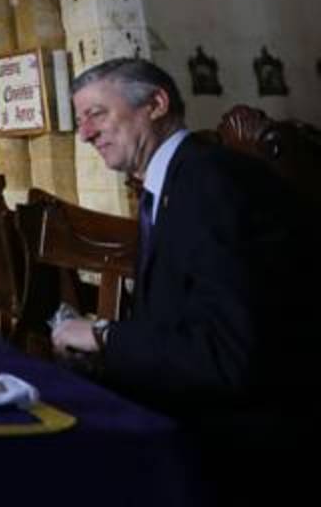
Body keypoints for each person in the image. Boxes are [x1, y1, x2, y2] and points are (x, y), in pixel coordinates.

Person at [54, 57, 313, 493]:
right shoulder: (172, 182)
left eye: (97, 114)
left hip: (246, 451)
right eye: (80, 120)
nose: (85, 133)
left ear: (155, 104)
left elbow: (227, 354)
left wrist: (104, 336)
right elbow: (177, 320)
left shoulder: (211, 182)